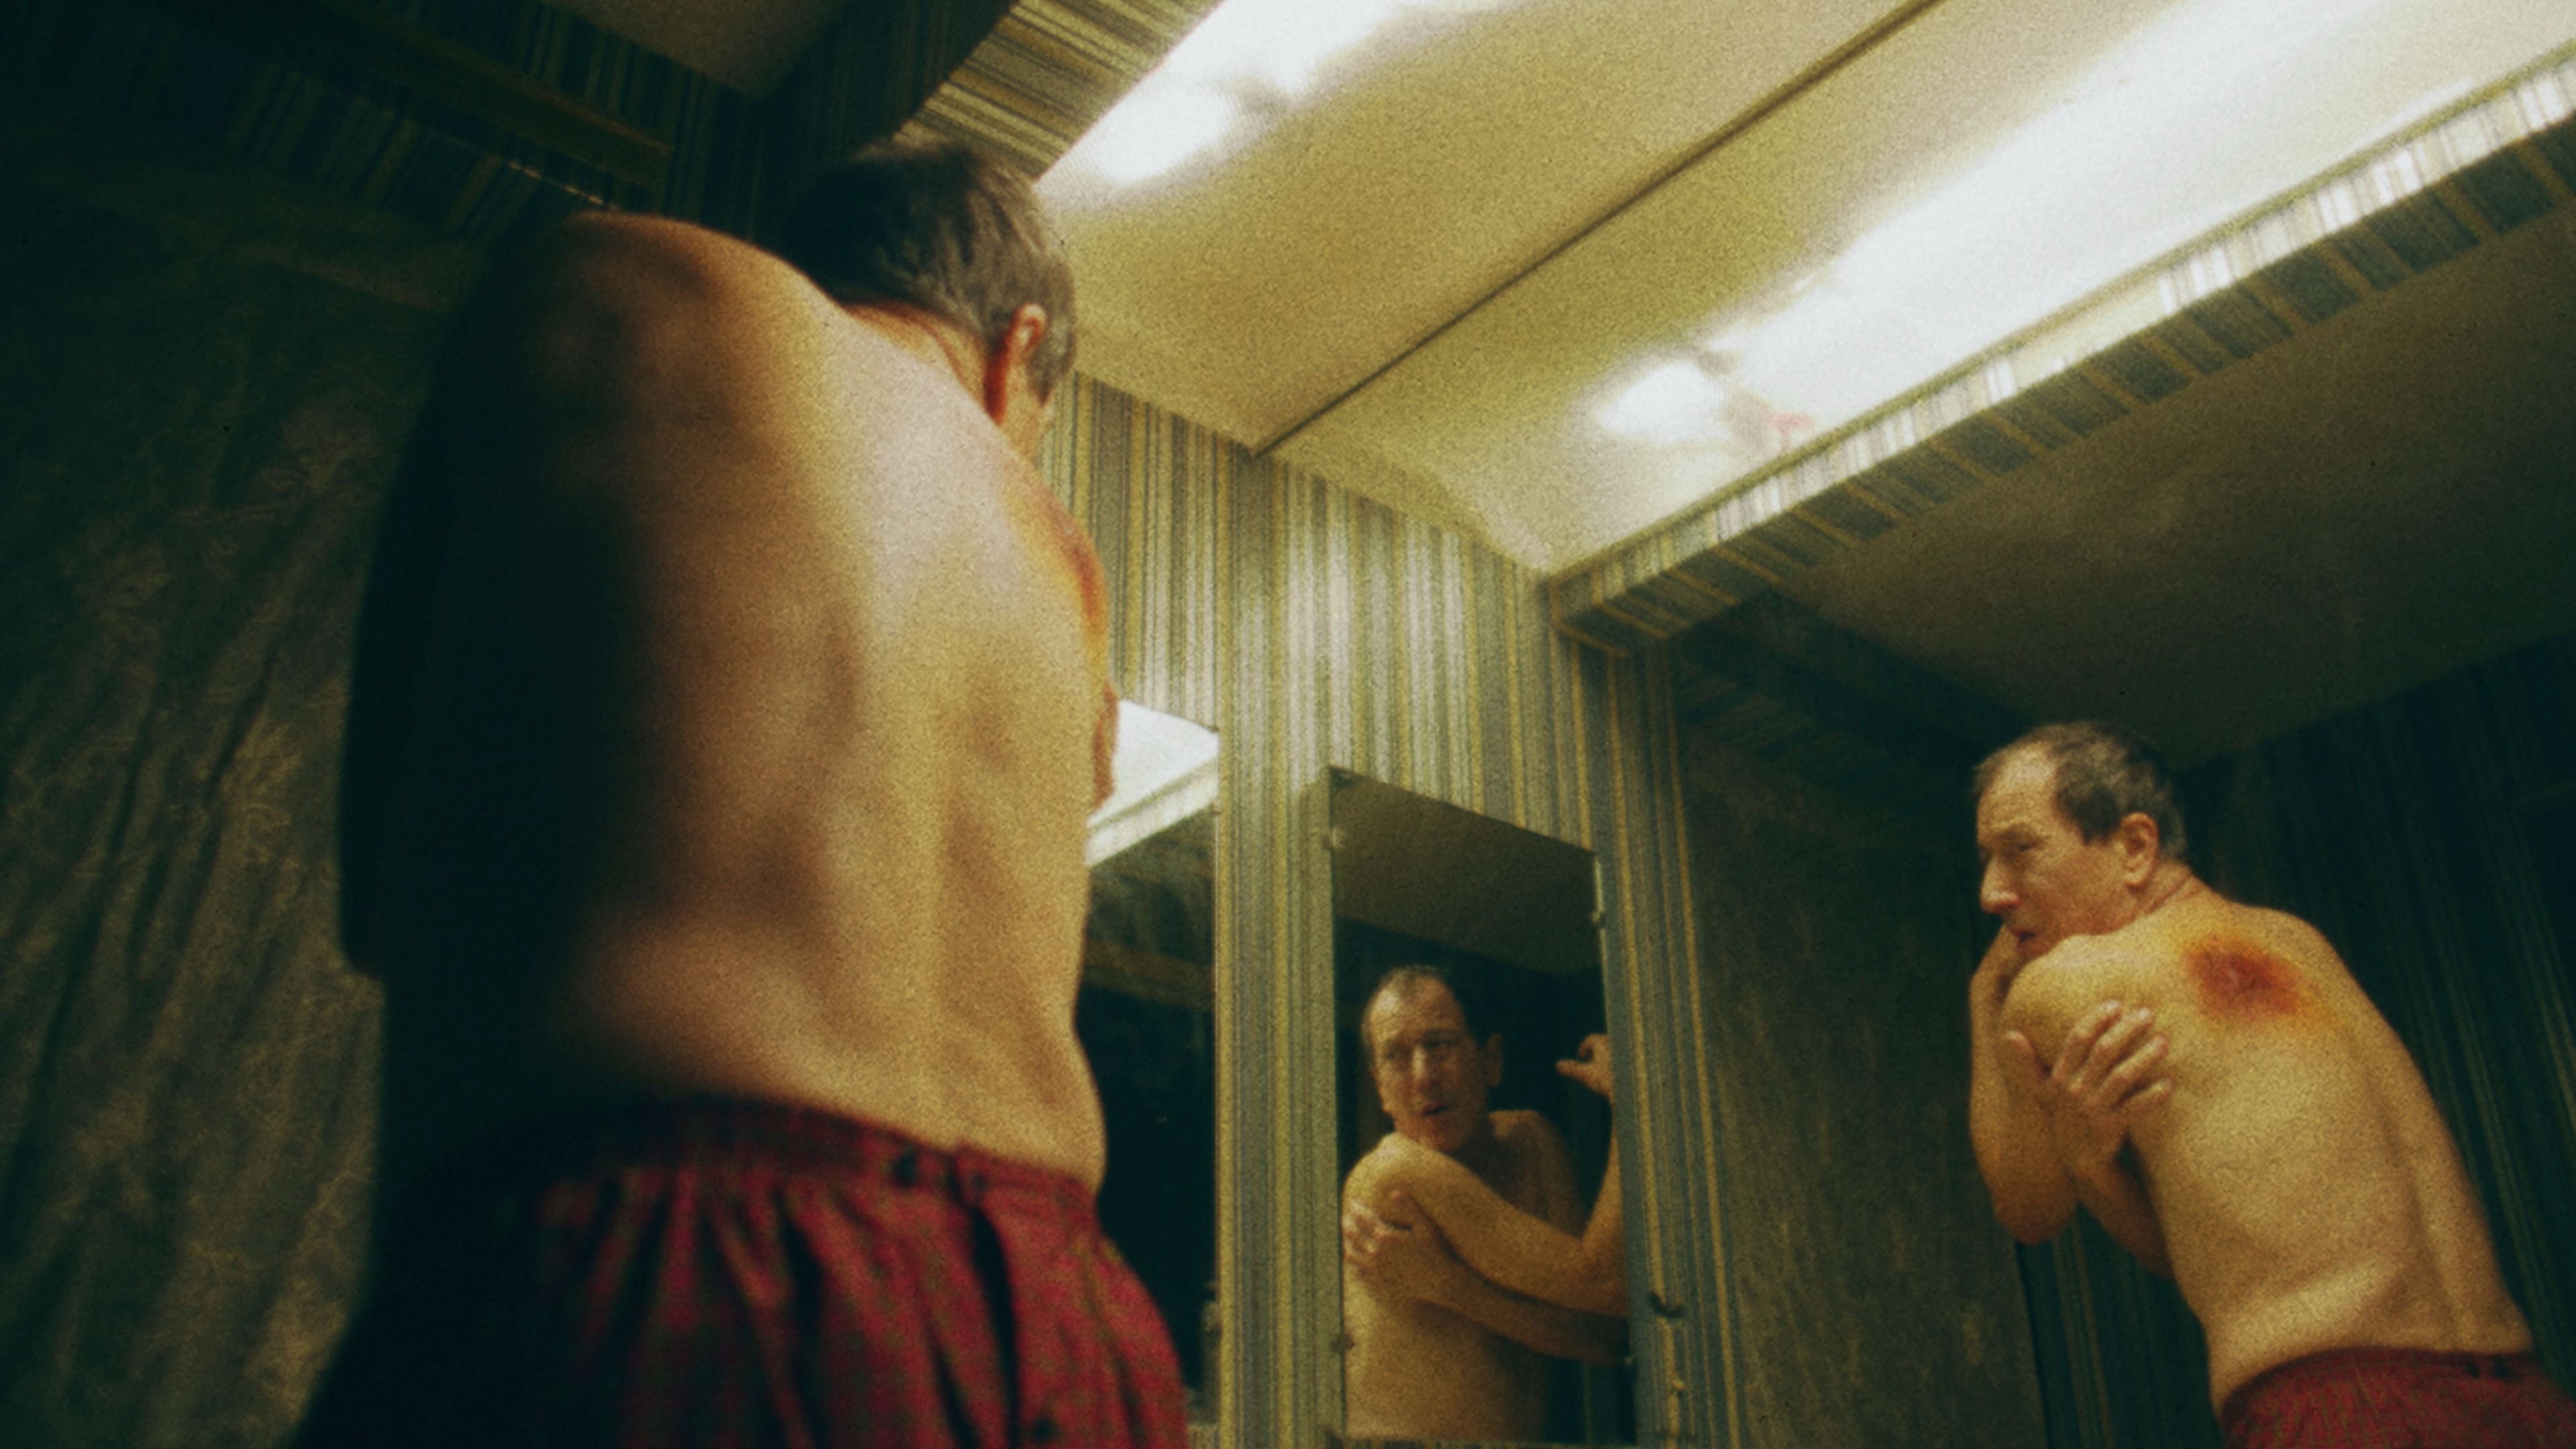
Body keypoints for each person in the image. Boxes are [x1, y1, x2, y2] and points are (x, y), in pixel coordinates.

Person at [303, 138, 1185, 1448]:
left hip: (678, 1258)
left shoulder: (616, 286)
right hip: (1070, 1313)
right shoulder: (1068, 575)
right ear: (1019, 352)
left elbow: (380, 903)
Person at [1969, 721, 2576, 1447]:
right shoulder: (2298, 940)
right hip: (2522, 1398)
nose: (1992, 893)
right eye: (1987, 859)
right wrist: (2093, 1166)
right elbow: (2221, 1258)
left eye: (2021, 850)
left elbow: (2028, 1211)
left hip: (2341, 1408)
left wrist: (1985, 995)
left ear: (2134, 847)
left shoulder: (2068, 980)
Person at [1337, 965, 1627, 1441]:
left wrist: (1454, 1288)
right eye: (1395, 1056)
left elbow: (1603, 1336)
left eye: (1439, 1044)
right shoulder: (1393, 1172)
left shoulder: (1532, 1142)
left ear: (1491, 1059)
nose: (1423, 1076)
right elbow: (1607, 1282)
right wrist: (1631, 1104)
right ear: (1381, 1089)